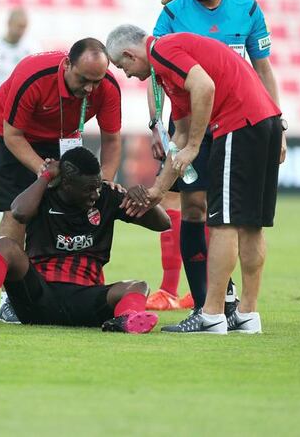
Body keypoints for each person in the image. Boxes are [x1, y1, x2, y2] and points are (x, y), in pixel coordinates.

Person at [106, 24, 284, 334]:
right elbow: (182, 133)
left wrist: (195, 146)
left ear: (129, 53)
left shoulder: (162, 50)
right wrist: (158, 190)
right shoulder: (169, 71)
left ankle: (212, 315)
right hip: (265, 122)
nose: (129, 75)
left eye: (124, 67)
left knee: (224, 223)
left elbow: (205, 88)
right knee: (250, 224)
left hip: (238, 124)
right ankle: (247, 314)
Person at [150, 0, 286, 317]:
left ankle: (224, 304)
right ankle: (208, 298)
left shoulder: (247, 9)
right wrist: (157, 126)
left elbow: (263, 70)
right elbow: (157, 73)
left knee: (231, 216)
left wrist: (280, 124)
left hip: (238, 125)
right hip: (196, 128)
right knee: (195, 208)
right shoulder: (172, 13)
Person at [0, 146, 169, 332]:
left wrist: (146, 200)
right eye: (88, 189)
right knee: (5, 244)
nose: (95, 194)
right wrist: (45, 177)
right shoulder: (43, 196)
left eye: (97, 186)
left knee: (139, 286)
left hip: (87, 301)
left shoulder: (107, 196)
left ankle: (127, 320)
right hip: (38, 297)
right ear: (66, 185)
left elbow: (163, 224)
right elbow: (18, 213)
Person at [0, 39, 123, 323]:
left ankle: (66, 280)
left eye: (95, 82)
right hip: (12, 135)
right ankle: (8, 299)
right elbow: (13, 136)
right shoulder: (32, 76)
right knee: (17, 212)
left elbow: (111, 140)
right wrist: (45, 173)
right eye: (83, 80)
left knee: (71, 206)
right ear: (67, 65)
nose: (89, 89)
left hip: (61, 138)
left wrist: (104, 184)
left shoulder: (107, 86)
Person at [146, 0, 193, 311]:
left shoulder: (176, 21)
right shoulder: (171, 20)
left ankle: (171, 288)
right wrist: (156, 124)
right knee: (192, 203)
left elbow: (157, 72)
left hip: (195, 121)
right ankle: (200, 289)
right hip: (185, 120)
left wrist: (158, 124)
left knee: (181, 202)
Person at [0, 7, 40, 87]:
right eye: (19, 26)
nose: (21, 31)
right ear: (9, 23)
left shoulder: (32, 49)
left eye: (24, 27)